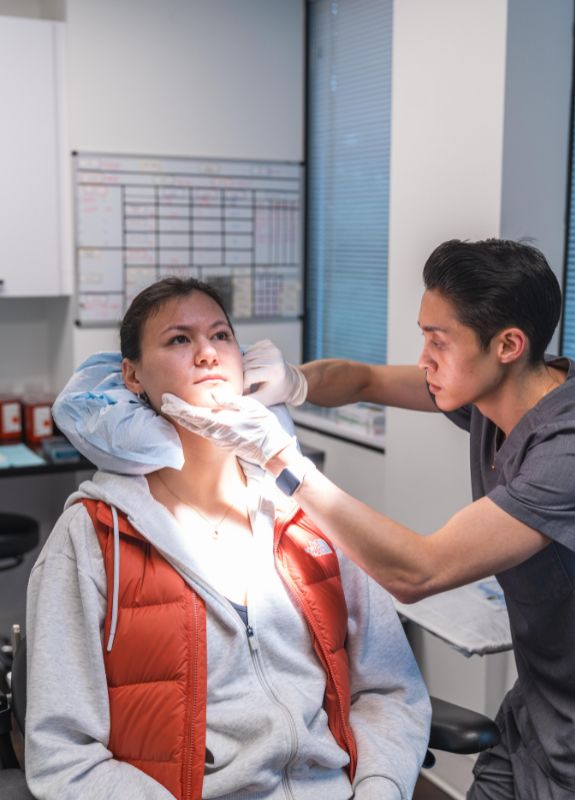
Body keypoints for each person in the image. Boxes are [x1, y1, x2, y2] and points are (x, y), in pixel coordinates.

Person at [162, 240, 575, 800]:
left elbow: (420, 572)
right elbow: (365, 380)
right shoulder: (495, 390)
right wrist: (295, 381)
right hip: (537, 709)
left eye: (438, 342)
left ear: (509, 345)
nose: (424, 359)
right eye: (424, 335)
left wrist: (282, 461)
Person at [25, 277, 430, 800]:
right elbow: (64, 755)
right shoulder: (94, 538)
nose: (207, 353)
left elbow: (391, 688)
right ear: (131, 376)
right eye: (178, 339)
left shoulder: (308, 514)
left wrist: (378, 788)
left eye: (221, 335)